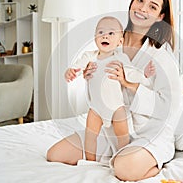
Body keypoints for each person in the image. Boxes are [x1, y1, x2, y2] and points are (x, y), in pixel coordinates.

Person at [46, 0, 182, 181]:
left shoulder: (162, 55)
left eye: (152, 7)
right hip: (112, 129)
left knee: (124, 169)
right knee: (55, 154)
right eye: (140, 0)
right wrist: (90, 74)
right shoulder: (113, 37)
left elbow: (169, 106)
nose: (143, 8)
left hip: (150, 134)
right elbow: (104, 85)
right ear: (132, 2)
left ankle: (150, 165)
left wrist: (130, 84)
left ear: (160, 17)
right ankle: (119, 155)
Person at [64, 16, 155, 162]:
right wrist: (71, 71)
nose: (105, 35)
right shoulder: (90, 56)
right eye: (100, 32)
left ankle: (121, 159)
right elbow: (78, 66)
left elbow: (131, 73)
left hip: (116, 108)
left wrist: (144, 75)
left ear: (120, 41)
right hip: (96, 109)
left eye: (111, 33)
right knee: (90, 135)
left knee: (122, 137)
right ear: (95, 37)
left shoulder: (120, 58)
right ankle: (90, 162)